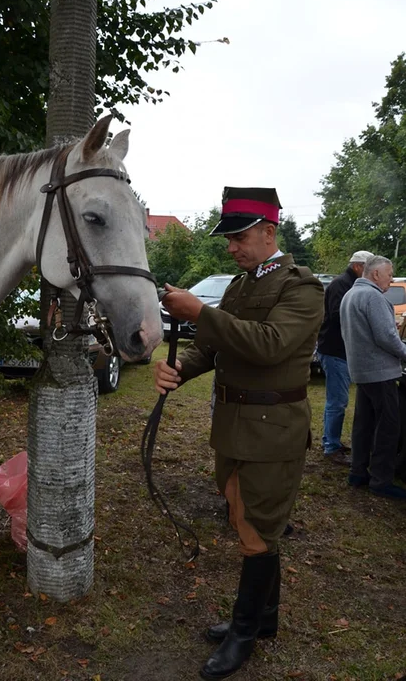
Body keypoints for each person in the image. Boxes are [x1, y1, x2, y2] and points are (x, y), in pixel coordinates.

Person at [154, 187, 324, 680]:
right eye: (229, 238)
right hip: (232, 426)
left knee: (256, 529)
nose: (231, 247)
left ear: (269, 233)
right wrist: (181, 369)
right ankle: (264, 618)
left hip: (273, 431)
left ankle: (245, 632)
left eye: (239, 236)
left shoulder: (303, 287)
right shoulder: (239, 285)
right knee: (248, 520)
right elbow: (214, 348)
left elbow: (271, 345)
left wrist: (200, 312)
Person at [340, 255, 406, 499]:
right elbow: (387, 337)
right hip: (380, 371)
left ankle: (358, 472)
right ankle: (381, 480)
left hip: (361, 370)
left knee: (364, 424)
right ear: (376, 274)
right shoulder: (373, 297)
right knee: (389, 427)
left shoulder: (351, 294)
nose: (391, 279)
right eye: (389, 274)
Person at [316, 250, 374, 465]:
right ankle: (331, 446)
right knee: (337, 401)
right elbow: (337, 315)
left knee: (338, 400)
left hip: (340, 350)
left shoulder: (349, 283)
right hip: (334, 350)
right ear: (358, 266)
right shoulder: (343, 284)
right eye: (368, 269)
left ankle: (331, 442)